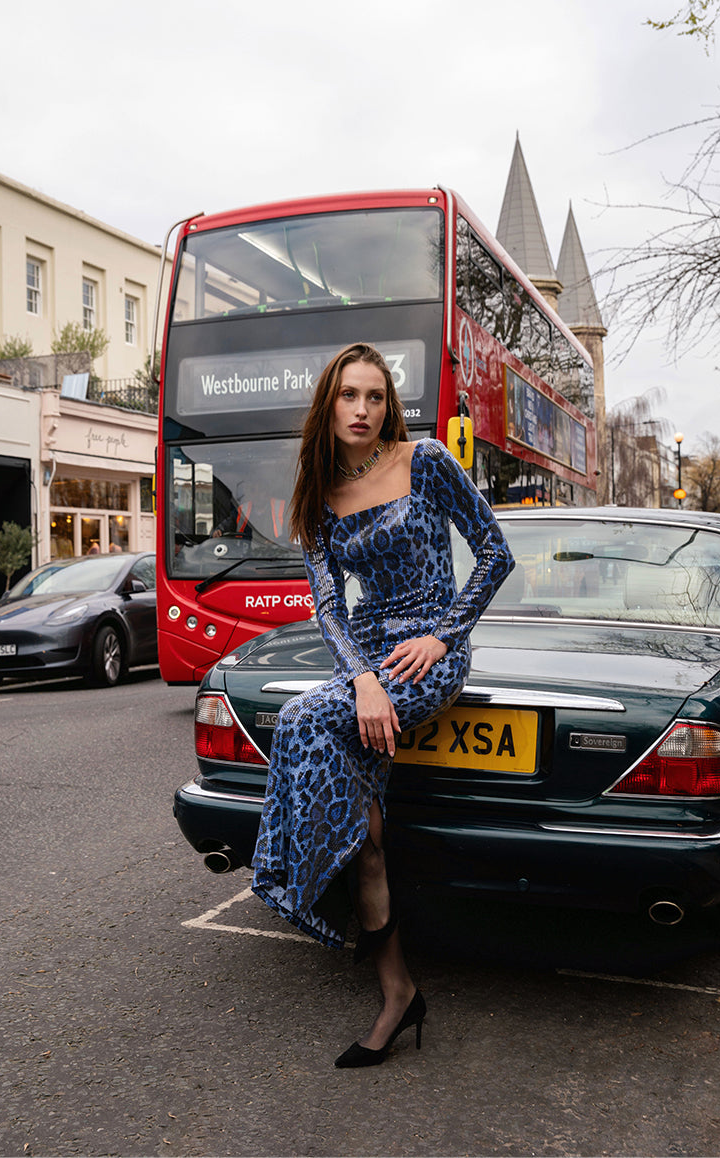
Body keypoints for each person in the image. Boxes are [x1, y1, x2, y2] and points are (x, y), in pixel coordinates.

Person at [251, 342, 515, 1068]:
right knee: (367, 837)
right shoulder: (317, 486)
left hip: (427, 653)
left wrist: (443, 634)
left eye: (373, 396)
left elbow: (495, 553)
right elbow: (329, 607)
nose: (361, 409)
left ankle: (282, 878)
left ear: (388, 404)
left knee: (302, 718)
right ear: (327, 405)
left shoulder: (425, 460)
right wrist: (362, 678)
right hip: (368, 659)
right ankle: (398, 993)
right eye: (347, 396)